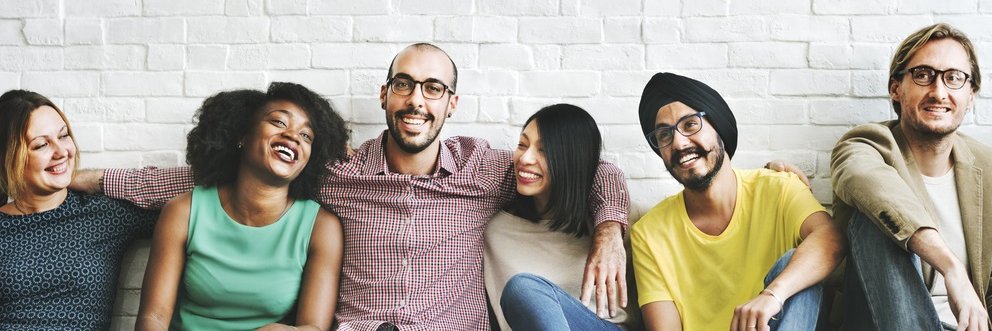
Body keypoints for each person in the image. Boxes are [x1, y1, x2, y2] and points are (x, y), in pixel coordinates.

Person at [71, 43, 631, 330]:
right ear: (385, 95)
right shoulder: (337, 174)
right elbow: (208, 177)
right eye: (405, 85)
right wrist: (87, 179)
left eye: (433, 88)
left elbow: (592, 169)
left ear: (451, 105)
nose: (417, 100)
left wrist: (609, 230)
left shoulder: (483, 171)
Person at [631, 73, 846, 331]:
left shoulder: (777, 188)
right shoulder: (649, 234)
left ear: (718, 125)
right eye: (665, 135)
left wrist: (772, 296)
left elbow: (831, 237)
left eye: (690, 125)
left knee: (795, 267)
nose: (678, 142)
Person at [134, 83, 346, 330]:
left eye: (306, 135)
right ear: (242, 136)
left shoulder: (321, 228)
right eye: (278, 122)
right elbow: (153, 318)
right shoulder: (184, 211)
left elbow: (314, 328)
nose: (293, 136)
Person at [832, 23, 991, 331]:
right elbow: (864, 179)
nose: (939, 91)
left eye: (954, 78)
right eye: (923, 75)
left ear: (971, 95)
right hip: (881, 321)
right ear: (896, 88)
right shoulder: (865, 144)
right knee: (876, 221)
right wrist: (951, 267)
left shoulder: (988, 167)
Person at [0, 90, 158, 330]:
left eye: (63, 136)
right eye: (41, 144)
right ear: (8, 157)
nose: (61, 152)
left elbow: (200, 190)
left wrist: (99, 179)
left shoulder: (105, 216)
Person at [486, 104, 638, 330]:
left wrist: (610, 229)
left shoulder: (617, 222)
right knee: (523, 291)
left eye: (544, 150)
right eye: (521, 145)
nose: (525, 158)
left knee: (524, 288)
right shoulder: (495, 232)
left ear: (573, 159)